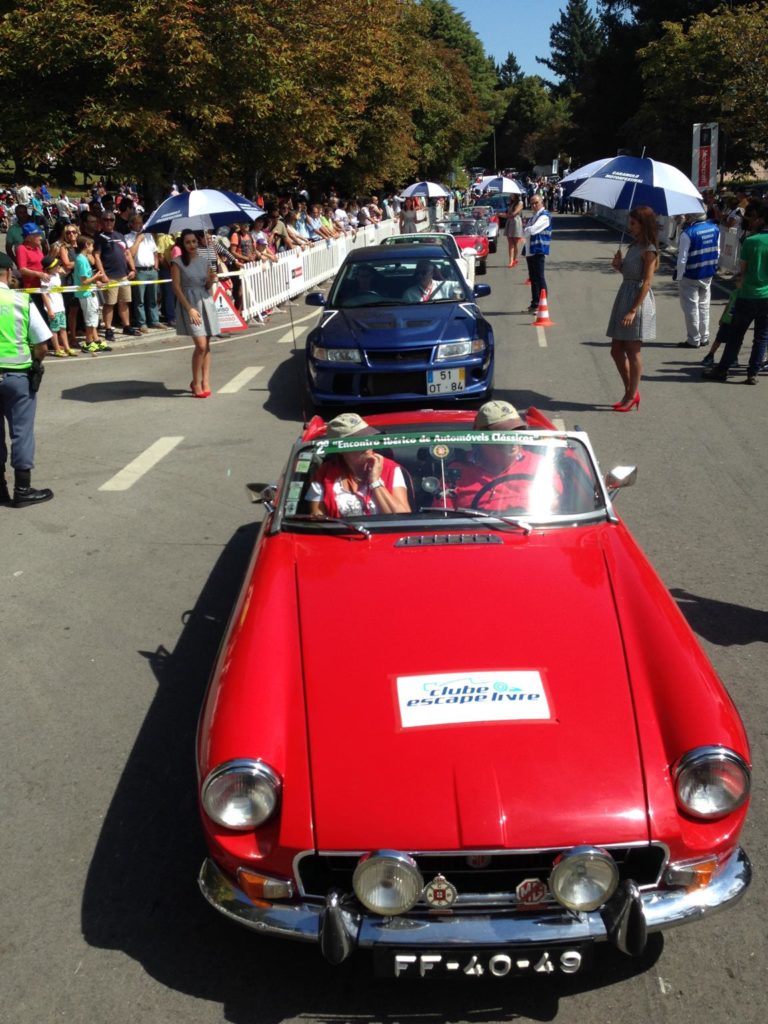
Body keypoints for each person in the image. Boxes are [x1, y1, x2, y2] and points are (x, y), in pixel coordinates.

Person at [436, 401, 559, 514]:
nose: (512, 438)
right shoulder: (456, 471)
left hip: (529, 532)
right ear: (481, 436)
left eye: (518, 430)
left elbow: (557, 508)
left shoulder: (540, 465)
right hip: (477, 535)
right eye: (503, 433)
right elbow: (443, 517)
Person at [0, 252, 54, 508]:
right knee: (21, 433)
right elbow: (42, 344)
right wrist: (36, 363)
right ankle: (22, 489)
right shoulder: (21, 300)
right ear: (9, 273)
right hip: (17, 376)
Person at [703, 200, 768, 385]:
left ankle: (722, 369)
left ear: (761, 219)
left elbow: (743, 270)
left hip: (748, 294)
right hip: (766, 296)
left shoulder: (752, 241)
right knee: (761, 336)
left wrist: (741, 280)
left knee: (736, 335)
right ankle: (752, 372)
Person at [605, 205, 659, 412]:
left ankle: (631, 394)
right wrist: (619, 266)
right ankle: (630, 391)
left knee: (632, 350)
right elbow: (629, 274)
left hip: (638, 300)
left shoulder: (650, 250)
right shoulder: (634, 246)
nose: (630, 226)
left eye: (633, 223)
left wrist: (633, 309)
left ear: (644, 224)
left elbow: (646, 282)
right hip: (624, 295)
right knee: (616, 350)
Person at [307, 412, 410, 517]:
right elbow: (318, 517)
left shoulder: (391, 469)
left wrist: (375, 482)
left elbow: (403, 517)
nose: (367, 444)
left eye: (368, 437)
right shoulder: (324, 473)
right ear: (340, 448)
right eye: (358, 441)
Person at [170, 229, 220, 398]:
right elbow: (176, 288)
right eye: (188, 242)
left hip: (205, 302)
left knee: (207, 344)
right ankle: (196, 381)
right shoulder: (177, 262)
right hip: (189, 303)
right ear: (182, 244)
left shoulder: (205, 261)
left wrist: (210, 280)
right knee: (200, 345)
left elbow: (207, 285)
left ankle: (205, 381)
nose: (192, 245)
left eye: (194, 241)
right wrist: (189, 308)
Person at [92, 211, 141, 341]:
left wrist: (133, 269)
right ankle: (108, 328)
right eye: (106, 219)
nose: (109, 222)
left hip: (123, 274)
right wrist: (102, 274)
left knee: (124, 302)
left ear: (114, 221)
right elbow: (96, 256)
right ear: (102, 221)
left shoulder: (120, 235)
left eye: (111, 220)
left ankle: (127, 325)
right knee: (109, 303)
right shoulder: (99, 237)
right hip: (110, 275)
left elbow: (127, 253)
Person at [675, 211, 720, 349]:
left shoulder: (688, 233)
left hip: (690, 275)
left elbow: (682, 258)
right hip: (707, 273)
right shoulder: (715, 228)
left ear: (692, 217)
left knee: (691, 308)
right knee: (704, 306)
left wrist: (679, 276)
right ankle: (704, 337)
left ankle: (694, 339)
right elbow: (717, 250)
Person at [73, 235, 109, 353]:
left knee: (94, 317)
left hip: (89, 292)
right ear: (86, 245)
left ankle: (96, 339)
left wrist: (96, 281)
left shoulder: (83, 258)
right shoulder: (81, 260)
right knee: (90, 318)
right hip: (85, 294)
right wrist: (97, 276)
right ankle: (88, 342)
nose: (93, 248)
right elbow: (84, 281)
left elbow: (88, 278)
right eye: (92, 245)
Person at [523, 194, 551, 312]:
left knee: (539, 277)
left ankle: (542, 302)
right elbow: (525, 231)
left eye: (536, 202)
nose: (534, 205)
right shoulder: (534, 217)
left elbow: (532, 230)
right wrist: (526, 229)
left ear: (542, 202)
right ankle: (535, 303)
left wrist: (527, 229)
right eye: (532, 203)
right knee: (533, 278)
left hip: (538, 249)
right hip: (530, 250)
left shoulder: (545, 216)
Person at [505, 194, 524, 267]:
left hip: (516, 222)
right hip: (510, 222)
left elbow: (514, 213)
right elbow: (508, 213)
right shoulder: (511, 203)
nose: (510, 195)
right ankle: (511, 261)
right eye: (510, 194)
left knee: (515, 243)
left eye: (512, 194)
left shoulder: (520, 203)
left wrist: (507, 215)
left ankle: (514, 259)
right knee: (510, 243)